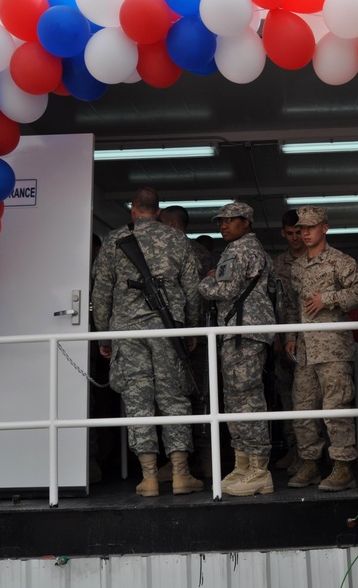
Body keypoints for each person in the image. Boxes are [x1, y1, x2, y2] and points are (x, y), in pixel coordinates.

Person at [91, 187, 204, 497]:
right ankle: (180, 475)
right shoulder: (176, 239)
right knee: (174, 397)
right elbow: (193, 289)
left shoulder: (114, 241)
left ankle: (149, 477)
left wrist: (103, 333)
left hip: (127, 332)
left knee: (138, 400)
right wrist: (191, 329)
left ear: (132, 210)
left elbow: (100, 292)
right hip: (168, 331)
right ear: (158, 211)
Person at [283, 206, 358, 492]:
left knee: (336, 408)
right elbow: (290, 305)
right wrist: (290, 335)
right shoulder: (296, 267)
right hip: (306, 350)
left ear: (325, 228)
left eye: (311, 227)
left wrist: (329, 298)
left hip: (333, 348)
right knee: (302, 409)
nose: (305, 232)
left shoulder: (339, 261)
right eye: (301, 228)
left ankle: (343, 466)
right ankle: (310, 463)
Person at [198, 202, 277, 497]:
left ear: (246, 222)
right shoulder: (252, 249)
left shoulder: (237, 250)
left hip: (244, 331)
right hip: (243, 331)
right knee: (237, 398)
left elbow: (226, 290)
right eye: (221, 221)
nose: (223, 225)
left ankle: (259, 470)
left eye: (231, 221)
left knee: (245, 398)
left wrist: (205, 283)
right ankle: (243, 465)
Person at [158, 204, 214, 481]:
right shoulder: (201, 253)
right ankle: (204, 463)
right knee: (200, 397)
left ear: (173, 225)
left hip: (188, 335)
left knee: (183, 397)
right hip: (196, 334)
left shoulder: (179, 250)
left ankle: (191, 463)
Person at [271, 209, 307, 472]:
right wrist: (274, 337)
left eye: (299, 232)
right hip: (283, 338)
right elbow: (269, 304)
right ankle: (295, 450)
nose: (295, 238)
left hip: (313, 338)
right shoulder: (275, 265)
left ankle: (314, 454)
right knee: (287, 397)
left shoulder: (314, 257)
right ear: (283, 233)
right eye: (290, 233)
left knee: (313, 399)